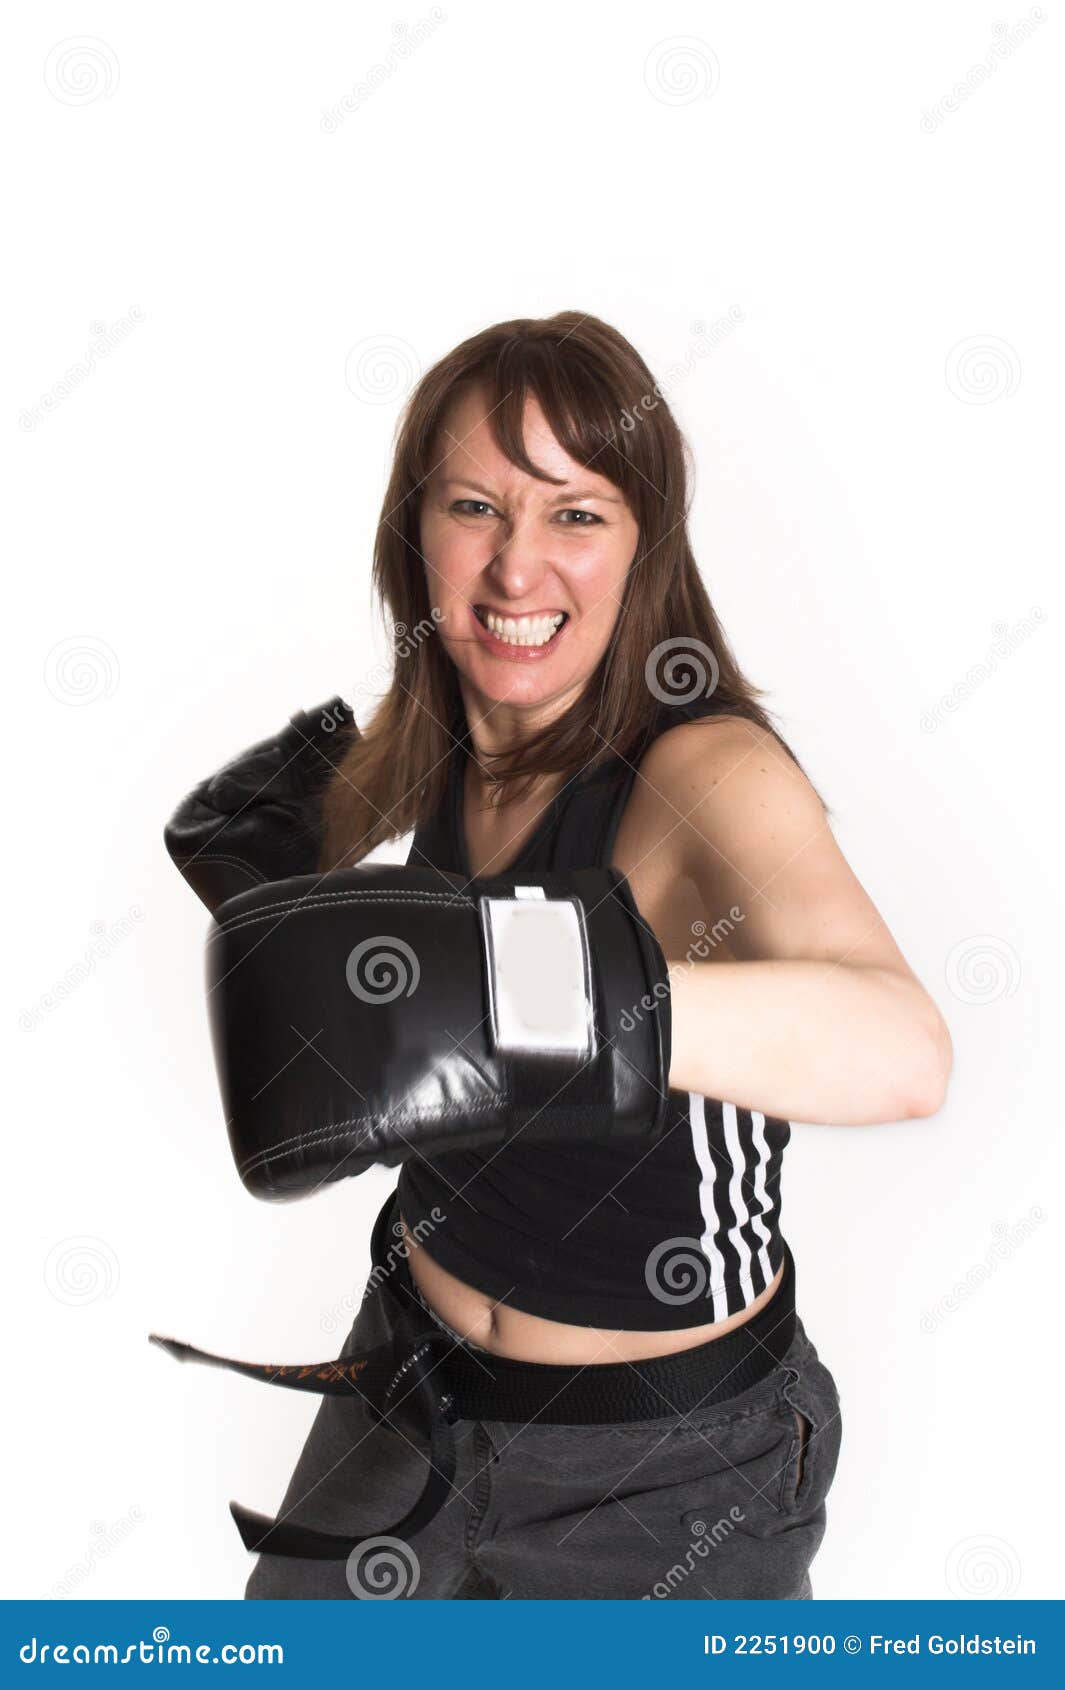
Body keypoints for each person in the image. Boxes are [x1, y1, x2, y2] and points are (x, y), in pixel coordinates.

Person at [161, 312, 952, 1600]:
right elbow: (285, 831)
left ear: (645, 545)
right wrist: (264, 866)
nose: (517, 569)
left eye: (575, 514)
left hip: (667, 1472)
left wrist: (529, 994)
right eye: (475, 505)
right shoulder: (445, 730)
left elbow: (905, 1050)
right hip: (406, 1391)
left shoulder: (709, 774)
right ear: (414, 533)